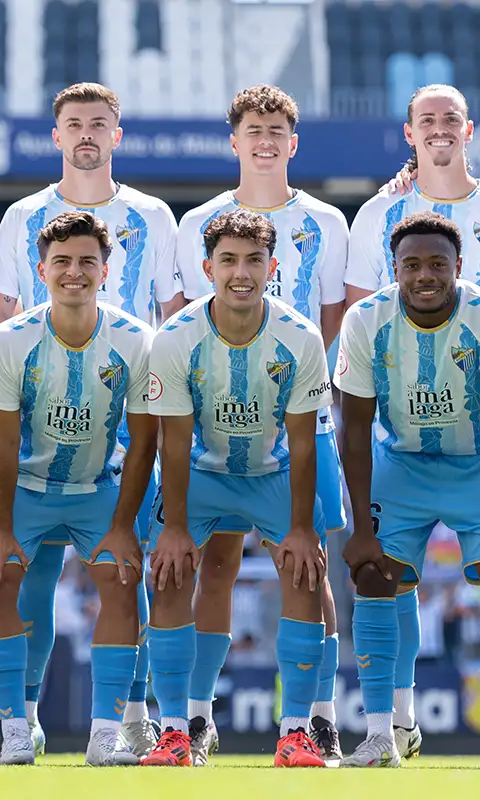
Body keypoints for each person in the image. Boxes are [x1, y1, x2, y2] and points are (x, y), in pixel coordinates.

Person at [0, 82, 177, 757]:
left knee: (125, 573)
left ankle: (121, 724)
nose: (87, 133)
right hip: (34, 448)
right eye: (74, 123)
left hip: (114, 452)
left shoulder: (154, 217)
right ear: (57, 134)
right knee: (13, 578)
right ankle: (18, 722)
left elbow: (174, 316)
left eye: (100, 123)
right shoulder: (22, 221)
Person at [166, 85, 348, 764]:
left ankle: (317, 717)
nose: (265, 138)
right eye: (253, 128)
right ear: (234, 141)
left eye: (277, 128)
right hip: (213, 422)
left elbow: (331, 325)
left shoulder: (327, 222)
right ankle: (196, 717)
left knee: (306, 563)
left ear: (292, 143)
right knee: (214, 564)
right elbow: (185, 319)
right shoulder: (200, 224)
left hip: (298, 417)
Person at [336, 212, 480, 768]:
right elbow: (354, 429)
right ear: (393, 269)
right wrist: (361, 527)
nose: (426, 275)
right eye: (412, 265)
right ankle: (385, 732)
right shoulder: (364, 320)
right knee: (375, 574)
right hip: (401, 464)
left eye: (438, 264)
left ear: (459, 268)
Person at [143, 209, 333, 768]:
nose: (241, 272)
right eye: (228, 260)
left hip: (272, 473)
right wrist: (174, 528)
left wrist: (300, 529)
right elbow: (172, 442)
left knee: (304, 566)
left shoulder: (300, 336)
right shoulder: (175, 339)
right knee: (172, 569)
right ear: (208, 268)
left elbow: (302, 443)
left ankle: (297, 731)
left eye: (254, 259)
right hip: (201, 473)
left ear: (272, 266)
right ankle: (175, 730)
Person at [0, 211, 156, 766]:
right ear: (41, 270)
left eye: (86, 262)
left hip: (98, 487)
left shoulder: (135, 339)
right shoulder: (10, 340)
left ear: (106, 270)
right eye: (62, 262)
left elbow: (146, 441)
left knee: (123, 580)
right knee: (0, 580)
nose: (74, 272)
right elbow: (2, 444)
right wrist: (1, 527)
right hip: (25, 488)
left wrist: (125, 526)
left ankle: (106, 734)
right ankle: (14, 729)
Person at [349, 84, 480, 341]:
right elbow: (358, 318)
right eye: (427, 120)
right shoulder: (375, 213)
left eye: (451, 119)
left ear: (468, 130)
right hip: (397, 375)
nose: (439, 128)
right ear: (409, 133)